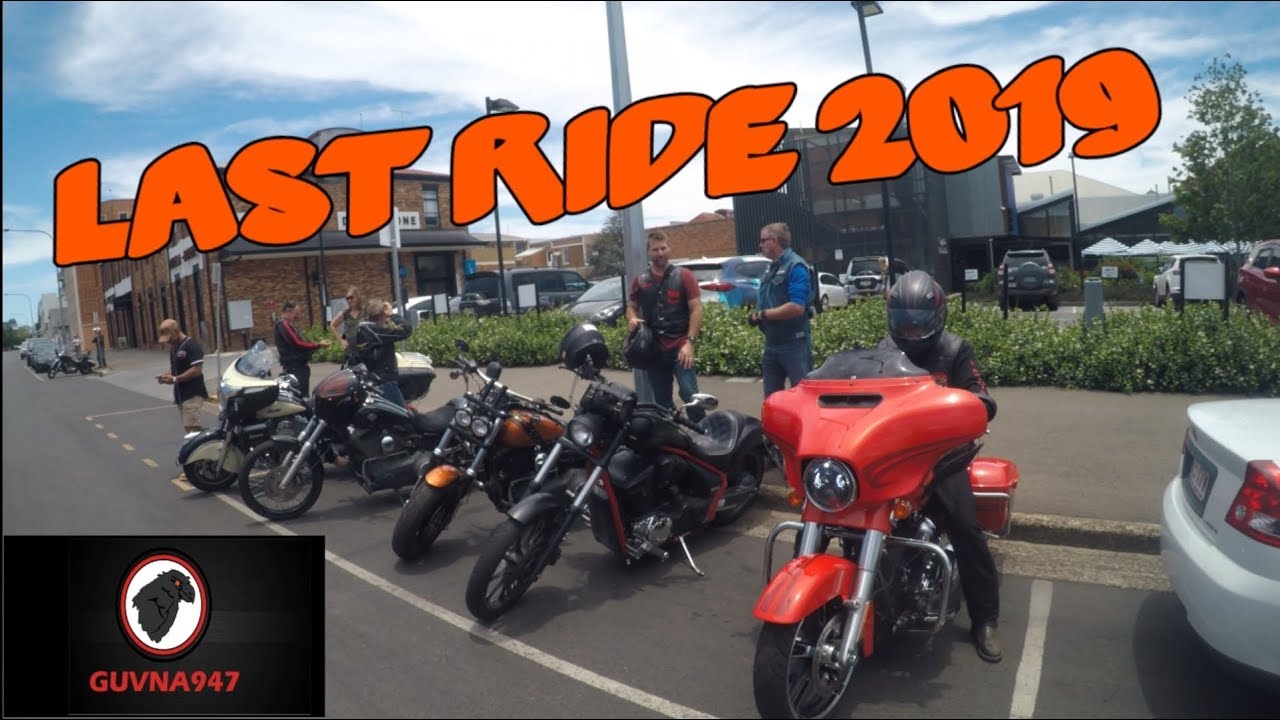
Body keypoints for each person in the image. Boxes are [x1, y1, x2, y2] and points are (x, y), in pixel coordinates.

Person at [875, 269, 1003, 664]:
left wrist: (977, 405)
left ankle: (985, 620)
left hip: (943, 458)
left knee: (966, 528)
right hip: (894, 456)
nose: (911, 332)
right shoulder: (884, 351)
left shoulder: (954, 349)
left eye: (918, 323)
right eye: (903, 323)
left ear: (936, 318)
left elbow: (980, 393)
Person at [625, 230, 706, 424]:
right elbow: (631, 306)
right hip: (654, 349)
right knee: (661, 401)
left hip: (681, 346)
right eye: (655, 250)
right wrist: (632, 318)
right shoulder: (641, 280)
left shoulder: (684, 275)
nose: (660, 253)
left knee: (689, 393)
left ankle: (703, 429)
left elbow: (696, 309)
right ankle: (673, 433)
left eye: (663, 248)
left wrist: (690, 343)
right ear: (649, 252)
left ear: (669, 248)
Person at [748, 222, 814, 397]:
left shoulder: (796, 266)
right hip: (772, 343)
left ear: (775, 241)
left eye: (763, 240)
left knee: (802, 396)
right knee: (771, 398)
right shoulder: (772, 267)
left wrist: (762, 315)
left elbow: (797, 307)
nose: (760, 245)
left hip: (794, 343)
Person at [353, 299, 412, 409]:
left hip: (374, 380)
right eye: (385, 316)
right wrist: (392, 315)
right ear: (381, 315)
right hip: (385, 382)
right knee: (401, 416)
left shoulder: (362, 329)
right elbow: (406, 330)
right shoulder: (375, 331)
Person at [155, 319, 209, 435]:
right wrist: (166, 375)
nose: (168, 342)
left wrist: (175, 379)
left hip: (192, 393)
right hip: (181, 395)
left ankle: (205, 445)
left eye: (169, 338)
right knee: (189, 428)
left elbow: (197, 370)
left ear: (176, 331)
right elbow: (174, 367)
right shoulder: (174, 348)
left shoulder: (191, 345)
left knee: (193, 429)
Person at [274, 301, 331, 397]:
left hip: (298, 366)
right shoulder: (283, 325)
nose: (297, 316)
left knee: (302, 394)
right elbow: (296, 342)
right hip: (295, 366)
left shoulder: (289, 324)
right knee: (301, 395)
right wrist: (318, 345)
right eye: (296, 313)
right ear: (288, 311)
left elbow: (302, 340)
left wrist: (316, 345)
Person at [330, 286, 364, 361]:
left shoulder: (365, 311)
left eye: (351, 297)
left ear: (357, 297)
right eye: (347, 298)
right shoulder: (345, 313)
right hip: (351, 351)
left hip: (365, 349)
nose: (349, 300)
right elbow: (332, 325)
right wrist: (341, 341)